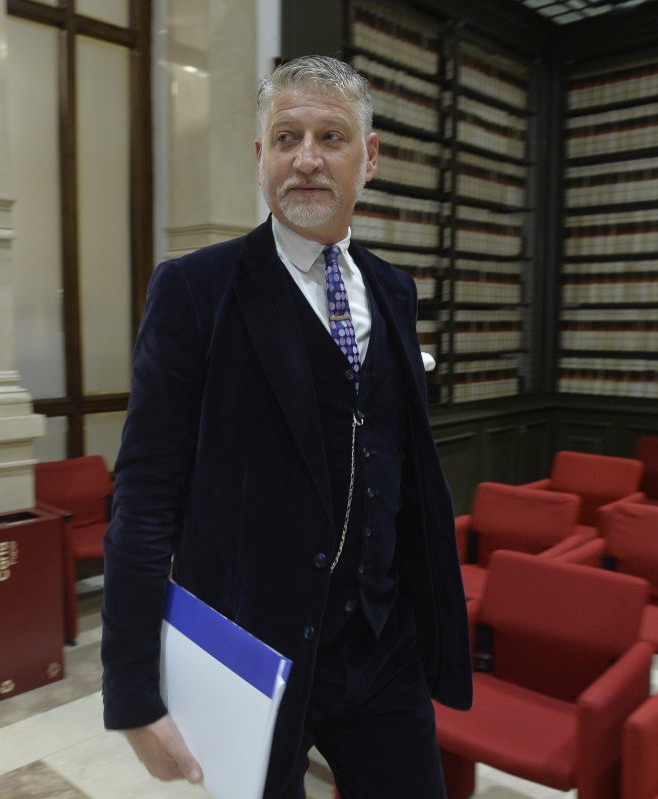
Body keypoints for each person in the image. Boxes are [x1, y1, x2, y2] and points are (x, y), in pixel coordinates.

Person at [100, 54, 471, 798]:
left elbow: (395, 467)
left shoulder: (394, 292)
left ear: (369, 158)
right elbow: (143, 499)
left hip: (380, 644)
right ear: (260, 156)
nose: (306, 159)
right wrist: (133, 690)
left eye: (331, 137)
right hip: (251, 657)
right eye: (285, 137)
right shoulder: (196, 292)